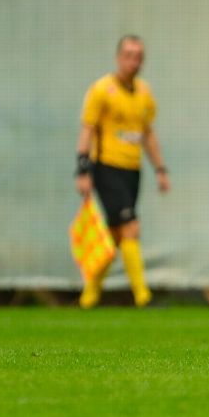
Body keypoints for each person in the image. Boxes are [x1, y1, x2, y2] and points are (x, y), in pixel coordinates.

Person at [74, 35, 170, 308]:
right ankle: (143, 296)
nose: (133, 61)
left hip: (132, 170)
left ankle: (89, 296)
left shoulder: (144, 93)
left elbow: (148, 134)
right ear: (118, 57)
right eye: (128, 55)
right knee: (131, 226)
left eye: (138, 56)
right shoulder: (102, 90)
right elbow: (87, 129)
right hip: (106, 168)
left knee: (117, 236)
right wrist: (82, 170)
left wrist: (160, 169)